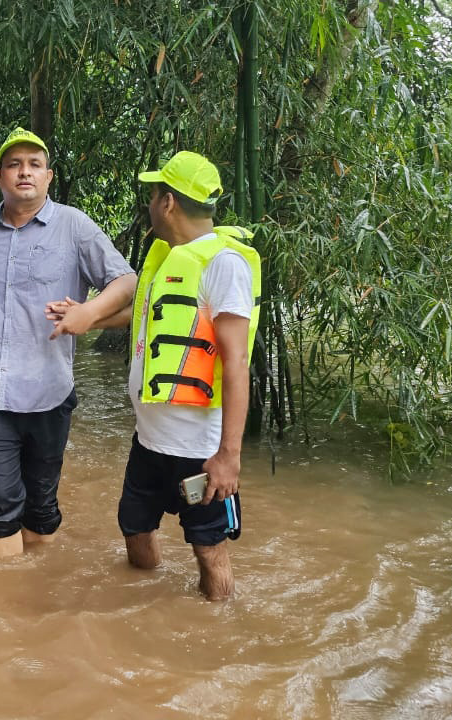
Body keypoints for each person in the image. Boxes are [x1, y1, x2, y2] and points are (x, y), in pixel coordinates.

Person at [51, 151, 260, 600]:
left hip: (197, 450)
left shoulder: (223, 265)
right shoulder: (167, 257)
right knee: (135, 529)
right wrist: (86, 316)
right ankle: (144, 604)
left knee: (209, 550)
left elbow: (236, 362)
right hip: (149, 442)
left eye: (152, 195)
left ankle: (217, 629)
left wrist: (229, 457)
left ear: (167, 203)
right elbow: (143, 315)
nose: (149, 204)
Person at [0, 127, 137, 559]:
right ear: (0, 176)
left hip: (47, 392)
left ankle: (36, 596)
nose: (25, 172)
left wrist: (88, 315)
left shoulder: (73, 225)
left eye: (34, 165)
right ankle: (3, 607)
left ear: (49, 177)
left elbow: (127, 281)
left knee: (40, 507)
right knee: (0, 501)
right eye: (15, 165)